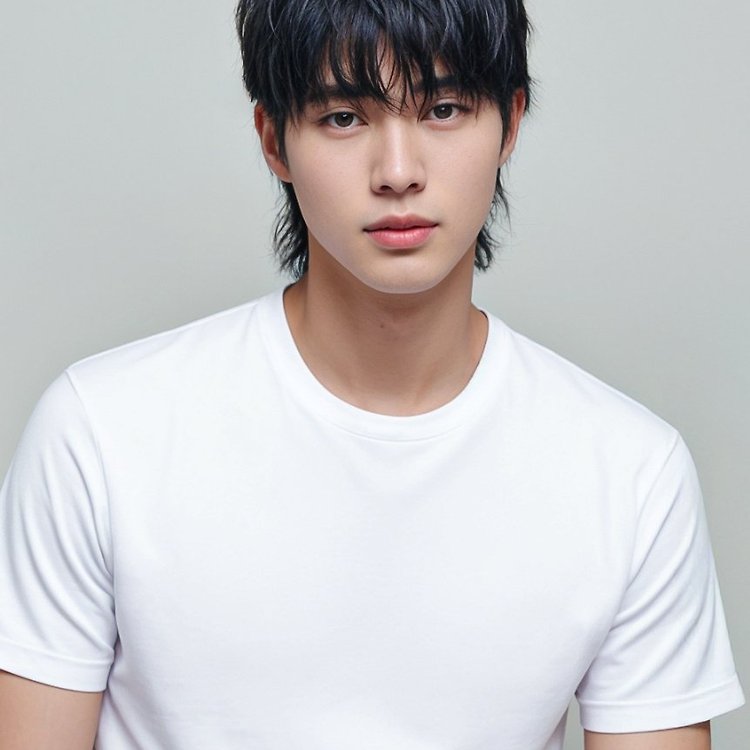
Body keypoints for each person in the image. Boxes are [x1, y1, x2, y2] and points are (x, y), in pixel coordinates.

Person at [0, 0, 744, 747]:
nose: (398, 173)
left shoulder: (631, 472)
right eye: (344, 118)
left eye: (444, 110)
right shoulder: (101, 433)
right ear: (274, 140)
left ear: (511, 123)